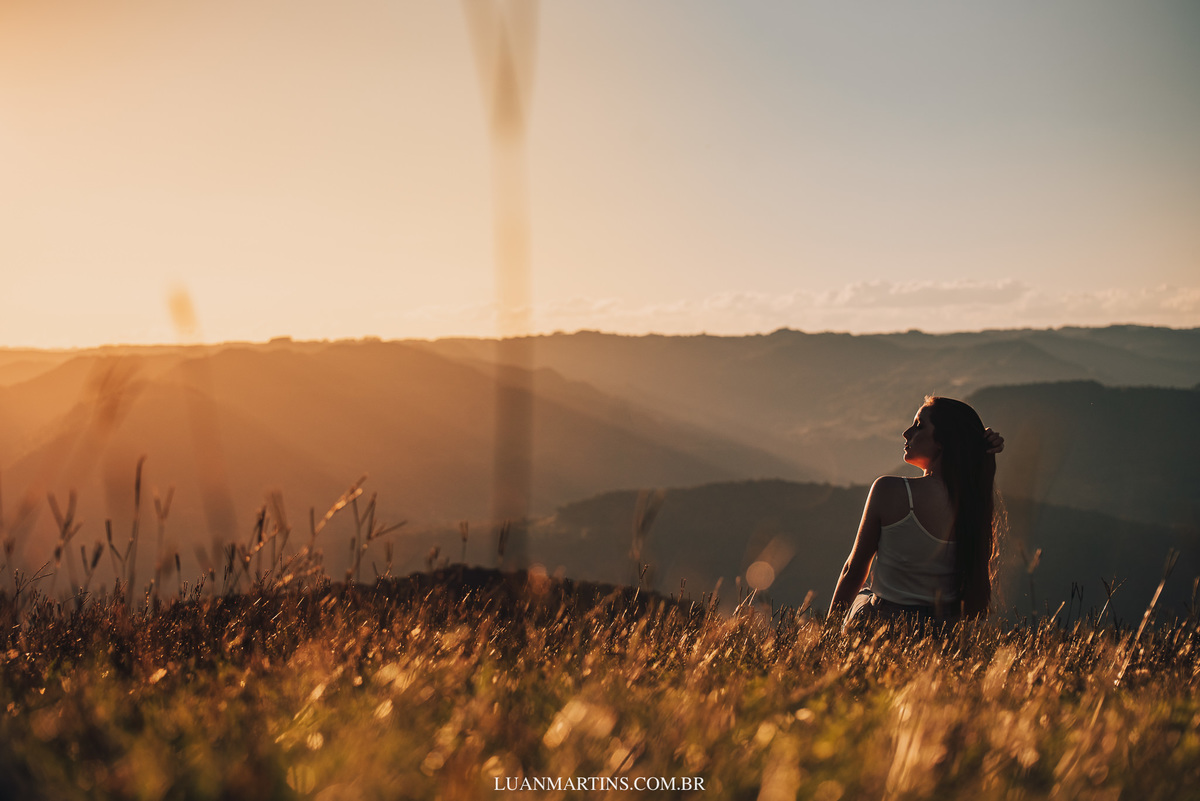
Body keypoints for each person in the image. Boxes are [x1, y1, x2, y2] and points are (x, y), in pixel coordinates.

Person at [827, 396, 1003, 630]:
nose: (906, 433)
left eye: (919, 425)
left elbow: (854, 569)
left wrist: (828, 631)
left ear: (942, 441)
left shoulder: (889, 490)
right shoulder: (975, 504)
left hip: (880, 627)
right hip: (942, 631)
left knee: (866, 594)